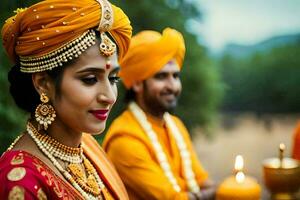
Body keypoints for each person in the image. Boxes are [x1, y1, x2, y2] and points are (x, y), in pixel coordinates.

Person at [0, 0, 131, 199]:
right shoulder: (20, 182)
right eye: (89, 79)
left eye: (113, 78)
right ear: (43, 84)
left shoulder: (87, 150)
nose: (110, 97)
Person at [103, 28, 216, 200]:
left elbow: (203, 181)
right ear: (137, 84)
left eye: (175, 76)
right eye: (161, 76)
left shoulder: (176, 125)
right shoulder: (125, 140)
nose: (173, 86)